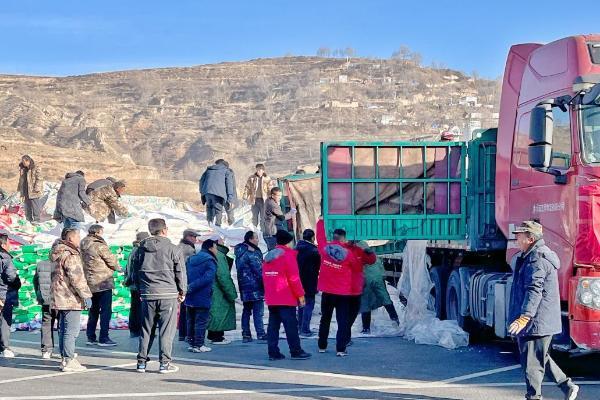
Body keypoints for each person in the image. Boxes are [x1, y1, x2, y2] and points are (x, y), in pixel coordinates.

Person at [508, 221, 579, 400]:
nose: (517, 238)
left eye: (520, 235)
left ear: (530, 239)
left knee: (532, 363)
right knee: (540, 357)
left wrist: (524, 317)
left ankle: (534, 397)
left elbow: (534, 290)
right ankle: (567, 386)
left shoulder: (537, 259)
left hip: (536, 321)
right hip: (539, 320)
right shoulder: (531, 255)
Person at [315, 218, 375, 357]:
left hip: (327, 291)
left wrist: (321, 222)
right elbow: (357, 267)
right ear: (343, 239)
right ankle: (340, 349)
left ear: (334, 237)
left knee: (325, 318)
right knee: (342, 321)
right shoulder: (348, 254)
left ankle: (322, 346)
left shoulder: (324, 248)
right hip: (342, 293)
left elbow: (320, 237)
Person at [133, 218, 186, 374]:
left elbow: (135, 273)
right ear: (164, 230)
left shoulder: (140, 250)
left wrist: (140, 290)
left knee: (146, 328)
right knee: (166, 330)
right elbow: (180, 273)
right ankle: (164, 363)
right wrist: (182, 291)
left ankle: (141, 362)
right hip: (168, 293)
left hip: (147, 293)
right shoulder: (173, 249)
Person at [263, 230, 311, 361]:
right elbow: (294, 278)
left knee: (273, 326)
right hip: (286, 296)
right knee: (291, 326)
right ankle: (296, 350)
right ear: (289, 242)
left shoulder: (269, 256)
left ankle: (273, 352)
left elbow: (265, 278)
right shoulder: (288, 256)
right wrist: (301, 295)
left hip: (272, 297)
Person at [50, 228, 93, 372]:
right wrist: (86, 295)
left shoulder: (57, 252)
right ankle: (69, 360)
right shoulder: (71, 254)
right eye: (77, 237)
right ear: (70, 238)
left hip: (59, 296)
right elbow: (77, 278)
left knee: (63, 329)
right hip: (70, 297)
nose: (79, 239)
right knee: (71, 330)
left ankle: (64, 357)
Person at [81, 224, 120, 347]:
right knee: (105, 311)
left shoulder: (82, 244)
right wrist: (118, 268)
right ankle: (104, 337)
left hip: (89, 282)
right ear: (97, 232)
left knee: (93, 310)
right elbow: (111, 261)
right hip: (103, 282)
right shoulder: (99, 245)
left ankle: (91, 336)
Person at [356, 241, 399, 334]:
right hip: (378, 280)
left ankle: (366, 328)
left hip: (365, 281)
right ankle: (395, 320)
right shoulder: (374, 255)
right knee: (385, 299)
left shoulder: (358, 256)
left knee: (365, 303)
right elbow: (382, 270)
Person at [185, 239, 218, 353]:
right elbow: (208, 278)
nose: (216, 250)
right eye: (215, 248)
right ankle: (199, 344)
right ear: (210, 248)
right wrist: (193, 286)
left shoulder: (191, 259)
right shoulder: (210, 260)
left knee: (191, 320)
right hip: (202, 294)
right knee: (201, 321)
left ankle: (192, 343)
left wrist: (188, 287)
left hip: (189, 294)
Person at [234, 231, 266, 342]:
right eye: (256, 238)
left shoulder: (239, 252)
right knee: (258, 311)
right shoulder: (251, 252)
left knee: (246, 310)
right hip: (255, 286)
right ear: (250, 239)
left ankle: (246, 334)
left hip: (244, 286)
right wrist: (265, 283)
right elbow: (259, 270)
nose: (258, 240)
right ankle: (261, 333)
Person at [207, 238, 238, 345]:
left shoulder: (209, 254)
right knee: (220, 312)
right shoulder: (219, 255)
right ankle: (217, 336)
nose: (224, 241)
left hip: (211, 289)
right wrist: (231, 293)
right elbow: (223, 276)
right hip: (219, 291)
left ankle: (212, 334)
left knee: (214, 312)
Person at [124, 232, 149, 338]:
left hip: (133, 284)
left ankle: (134, 329)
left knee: (134, 307)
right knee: (139, 308)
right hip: (138, 284)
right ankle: (138, 329)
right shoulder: (139, 251)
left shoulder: (132, 251)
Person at [295, 228, 320, 337]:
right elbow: (317, 267)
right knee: (309, 305)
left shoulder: (296, 249)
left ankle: (300, 327)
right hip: (310, 283)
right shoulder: (314, 251)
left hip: (298, 282)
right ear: (312, 237)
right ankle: (305, 329)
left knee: (301, 305)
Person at [176, 229, 200, 342]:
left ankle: (182, 333)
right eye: (194, 237)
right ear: (188, 237)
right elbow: (189, 267)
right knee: (188, 310)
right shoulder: (189, 249)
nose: (195, 239)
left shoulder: (178, 246)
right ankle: (188, 334)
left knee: (183, 309)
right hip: (186, 281)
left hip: (179, 281)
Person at [0, 233, 20, 358]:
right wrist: (17, 283)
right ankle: (4, 347)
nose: (10, 246)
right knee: (5, 322)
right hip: (4, 294)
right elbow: (11, 276)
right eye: (9, 243)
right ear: (3, 244)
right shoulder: (5, 259)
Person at [199, 159, 236, 227]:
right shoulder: (226, 171)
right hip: (218, 193)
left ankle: (210, 225)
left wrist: (202, 191)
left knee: (209, 208)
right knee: (218, 209)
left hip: (207, 192)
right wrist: (230, 197)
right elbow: (229, 185)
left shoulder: (208, 170)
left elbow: (201, 181)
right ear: (225, 166)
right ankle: (218, 226)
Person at [34, 259, 57, 358]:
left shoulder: (40, 264)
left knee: (46, 324)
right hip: (60, 300)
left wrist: (39, 296)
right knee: (64, 326)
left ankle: (46, 350)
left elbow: (35, 282)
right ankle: (65, 351)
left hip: (45, 299)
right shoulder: (62, 263)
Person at [242, 164, 273, 229]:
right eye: (257, 170)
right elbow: (247, 187)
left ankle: (263, 231)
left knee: (263, 217)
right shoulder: (252, 178)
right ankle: (254, 231)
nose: (258, 171)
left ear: (263, 171)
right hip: (255, 200)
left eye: (260, 170)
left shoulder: (267, 178)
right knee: (254, 217)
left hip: (264, 200)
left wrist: (271, 199)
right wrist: (245, 196)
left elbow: (270, 189)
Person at [17, 155, 47, 223]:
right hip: (26, 190)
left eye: (24, 162)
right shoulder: (22, 169)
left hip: (34, 190)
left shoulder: (36, 167)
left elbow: (39, 179)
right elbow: (21, 180)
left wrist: (36, 188)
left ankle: (36, 220)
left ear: (28, 161)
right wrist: (20, 190)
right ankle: (29, 219)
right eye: (22, 162)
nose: (23, 163)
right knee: (27, 205)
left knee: (35, 206)